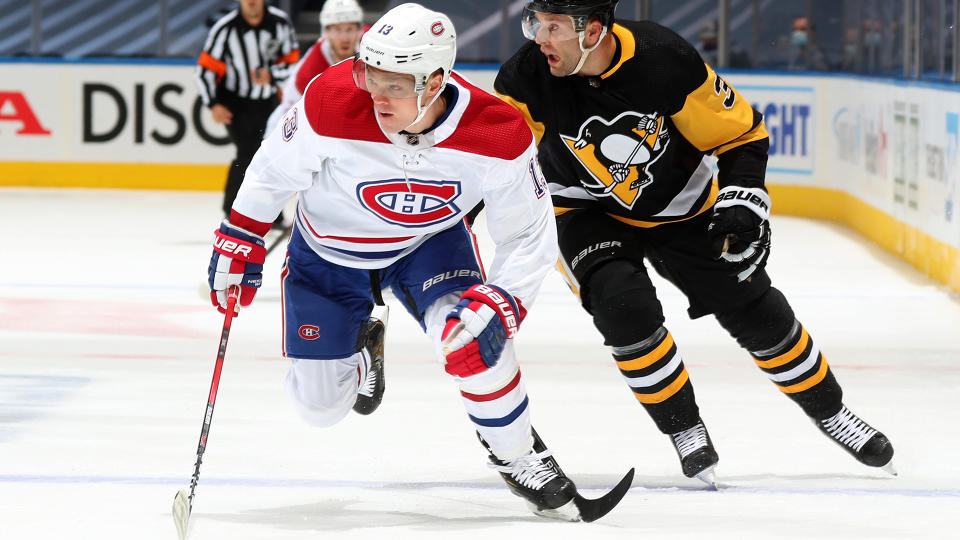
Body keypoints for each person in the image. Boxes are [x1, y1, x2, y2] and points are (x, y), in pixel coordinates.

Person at [206, 2, 631, 521]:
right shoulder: (332, 98)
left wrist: (504, 302)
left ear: (434, 82)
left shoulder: (497, 131)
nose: (375, 96)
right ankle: (364, 352)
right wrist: (239, 236)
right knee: (317, 410)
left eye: (394, 85)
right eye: (370, 76)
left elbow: (527, 232)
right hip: (328, 252)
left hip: (428, 245)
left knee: (476, 337)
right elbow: (272, 171)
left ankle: (519, 455)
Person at [494, 0, 895, 486]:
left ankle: (832, 412)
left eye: (553, 27)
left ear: (594, 30)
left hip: (682, 207)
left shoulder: (664, 59)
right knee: (623, 307)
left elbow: (742, 135)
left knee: (755, 311)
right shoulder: (526, 74)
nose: (539, 37)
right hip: (581, 210)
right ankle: (685, 429)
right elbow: (497, 156)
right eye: (535, 23)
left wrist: (744, 200)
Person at [195, 0, 300, 222]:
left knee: (268, 156)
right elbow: (204, 70)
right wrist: (213, 103)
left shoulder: (280, 23)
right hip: (235, 103)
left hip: (269, 101)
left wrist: (272, 76)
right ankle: (235, 210)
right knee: (248, 152)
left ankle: (266, 213)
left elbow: (293, 63)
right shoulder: (225, 28)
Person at [265, 0, 367, 136]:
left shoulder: (373, 42)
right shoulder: (309, 71)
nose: (344, 38)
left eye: (349, 29)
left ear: (359, 30)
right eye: (337, 30)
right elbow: (288, 112)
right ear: (326, 32)